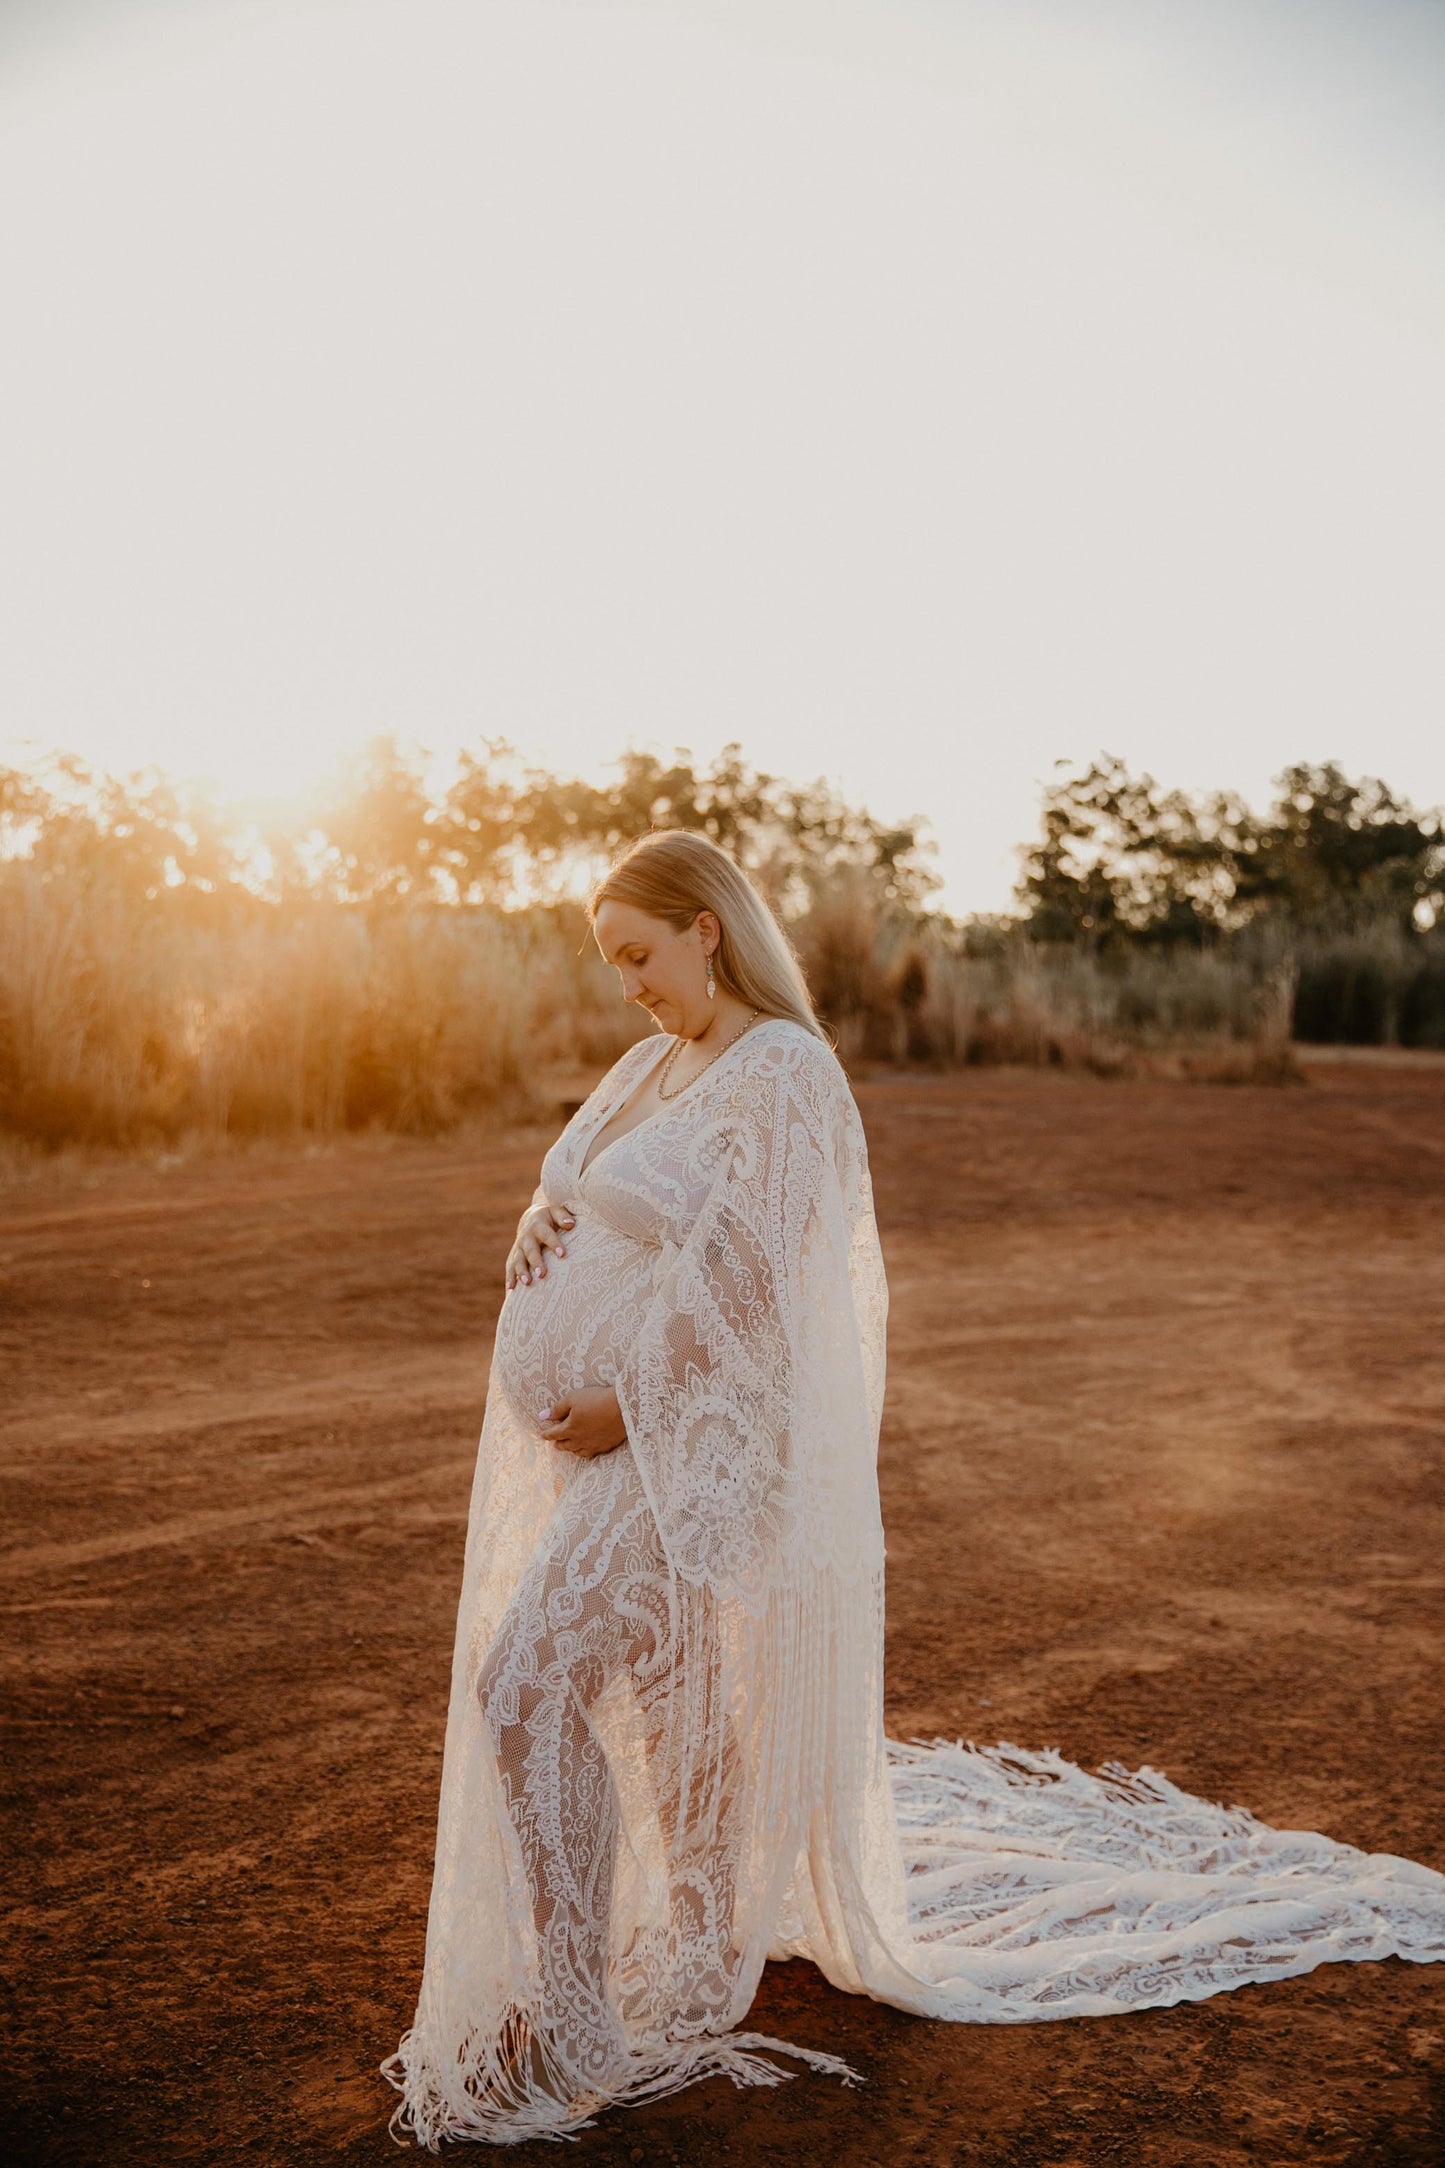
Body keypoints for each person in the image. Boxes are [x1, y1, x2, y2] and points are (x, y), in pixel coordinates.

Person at [384, 830, 1445, 2147]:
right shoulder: (656, 1060)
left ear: (707, 927)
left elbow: (771, 1294)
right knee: (678, 1688)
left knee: (528, 1680)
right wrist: (533, 1221)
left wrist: (625, 1408)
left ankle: (581, 2014)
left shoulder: (785, 1072)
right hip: (617, 1442)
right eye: (611, 965)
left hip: (690, 1442)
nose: (627, 987)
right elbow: (587, 1183)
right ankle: (708, 1938)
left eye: (638, 956)